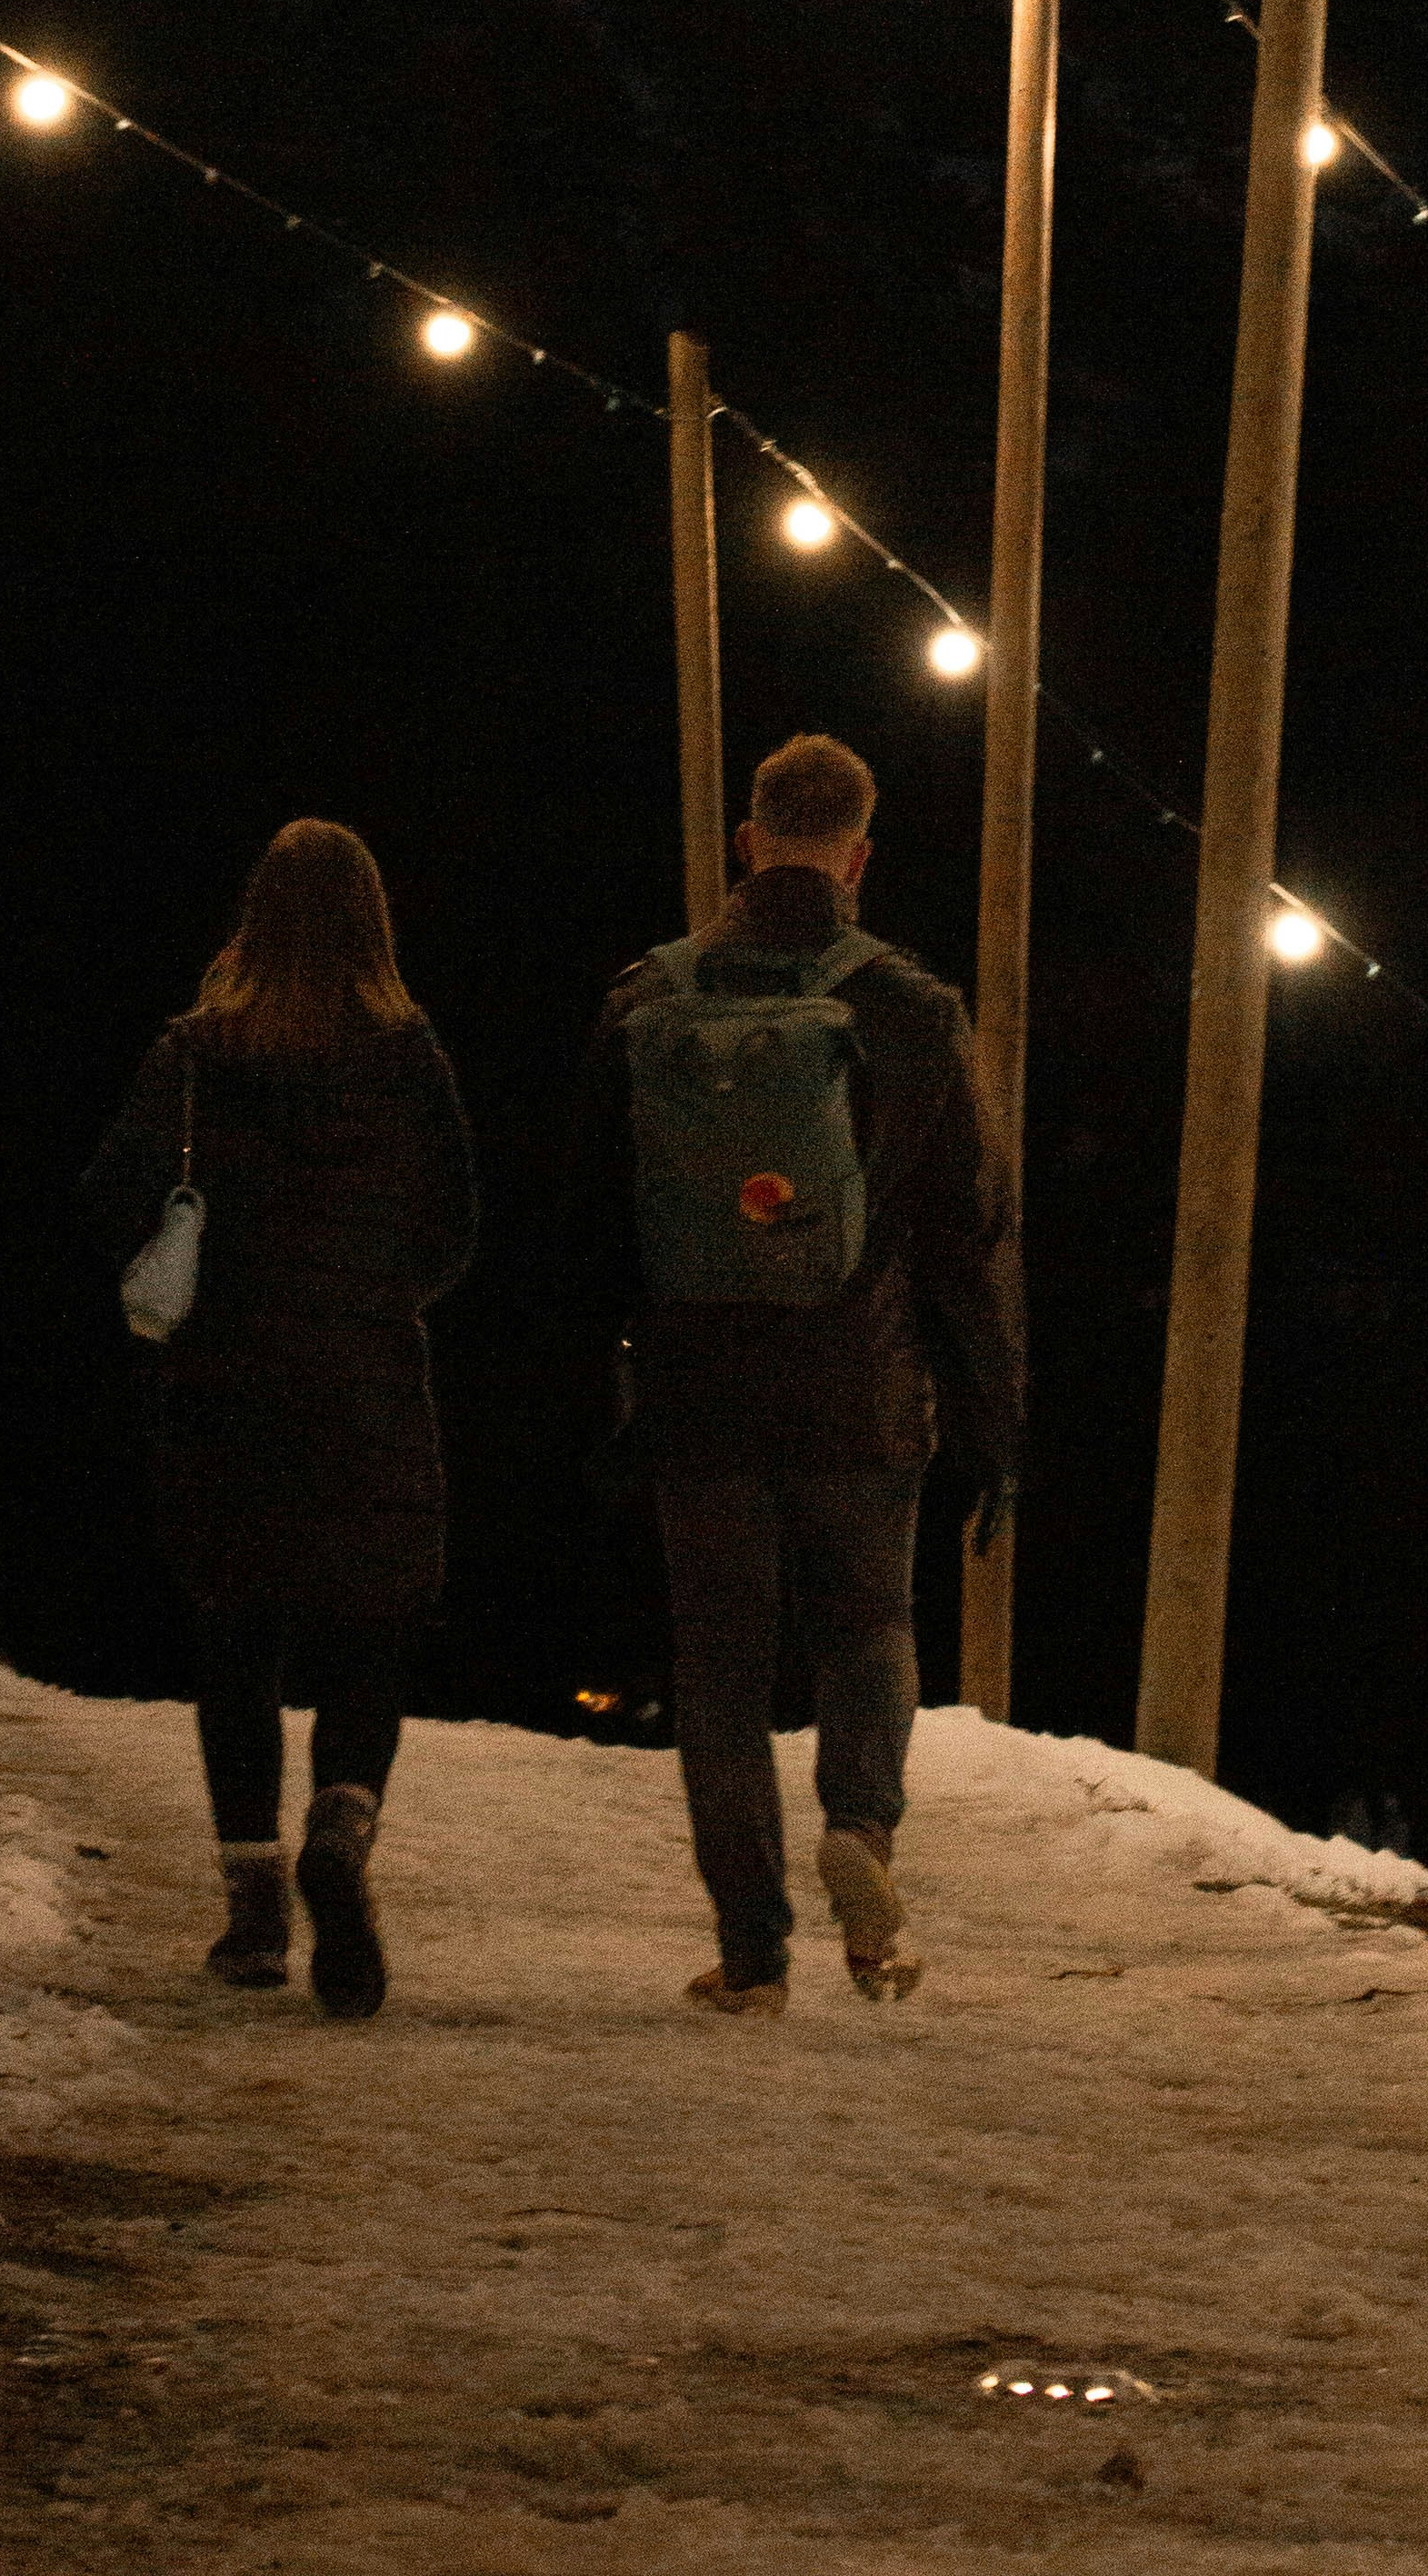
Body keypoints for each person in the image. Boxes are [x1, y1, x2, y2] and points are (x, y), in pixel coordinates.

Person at [564, 729, 1021, 2016]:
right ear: (860, 857)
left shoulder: (646, 999)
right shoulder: (912, 1009)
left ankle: (753, 1956)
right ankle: (861, 1841)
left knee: (719, 1666)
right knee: (870, 1628)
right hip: (862, 1396)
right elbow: (969, 1240)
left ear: (749, 843)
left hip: (698, 1395)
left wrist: (601, 1411)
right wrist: (993, 1424)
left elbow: (585, 1223)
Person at [83, 818, 476, 2022]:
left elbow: (107, 1197)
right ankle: (343, 1833)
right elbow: (456, 1221)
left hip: (224, 1386)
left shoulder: (195, 1054)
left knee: (238, 1635)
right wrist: (372, 1294)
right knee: (369, 1627)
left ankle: (254, 1914)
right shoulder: (409, 1055)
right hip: (363, 1382)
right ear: (374, 924)